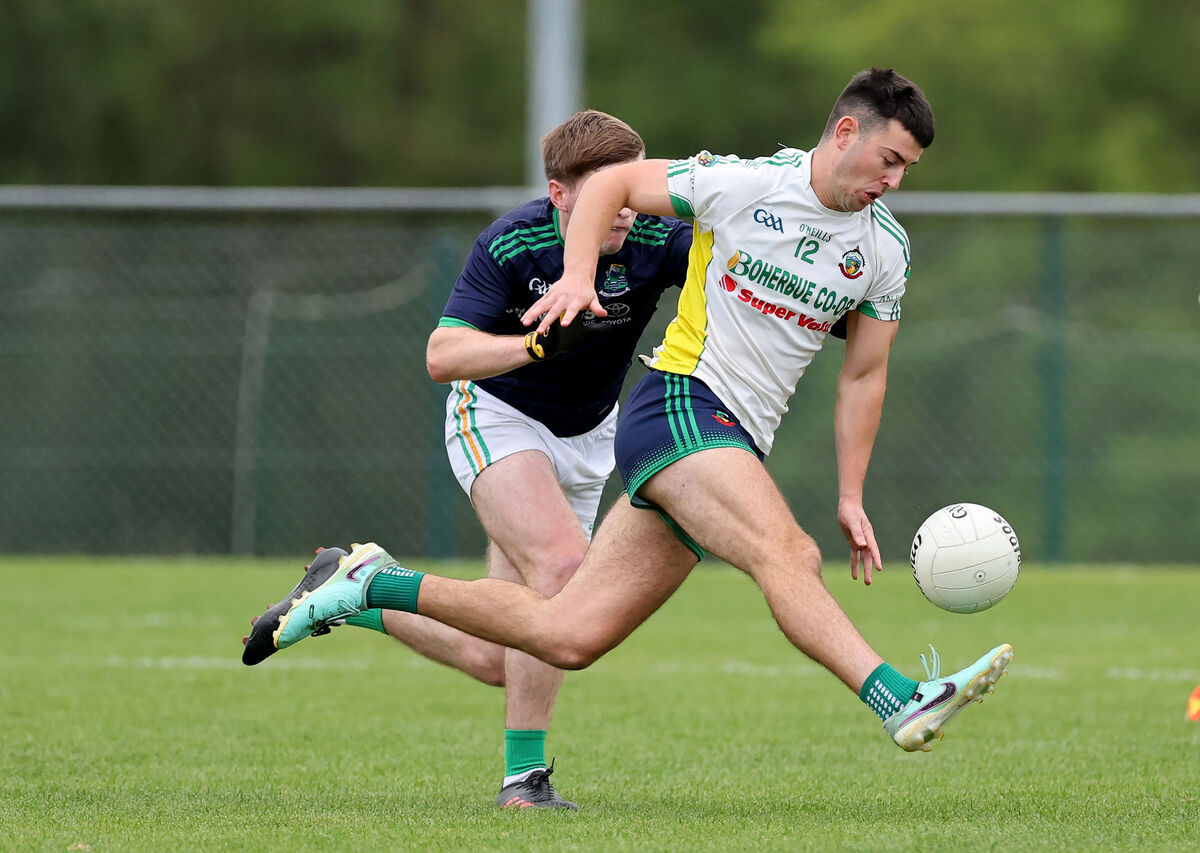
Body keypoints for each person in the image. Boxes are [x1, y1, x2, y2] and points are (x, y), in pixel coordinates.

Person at [254, 69, 1014, 774]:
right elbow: (613, 179)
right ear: (845, 132)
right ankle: (899, 697)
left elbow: (865, 373)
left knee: (565, 634)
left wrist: (853, 493)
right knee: (787, 552)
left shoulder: (886, 248)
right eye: (889, 159)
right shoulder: (746, 184)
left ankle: (366, 583)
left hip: (733, 437)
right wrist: (578, 277)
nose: (894, 180)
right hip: (680, 404)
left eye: (907, 168)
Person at [242, 109, 693, 810]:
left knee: (495, 653)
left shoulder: (659, 236)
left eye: (631, 188)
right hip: (498, 416)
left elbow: (738, 272)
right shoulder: (513, 242)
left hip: (591, 437)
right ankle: (525, 783)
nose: (624, 208)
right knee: (566, 576)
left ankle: (357, 588)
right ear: (560, 192)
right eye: (604, 190)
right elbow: (441, 355)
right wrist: (534, 346)